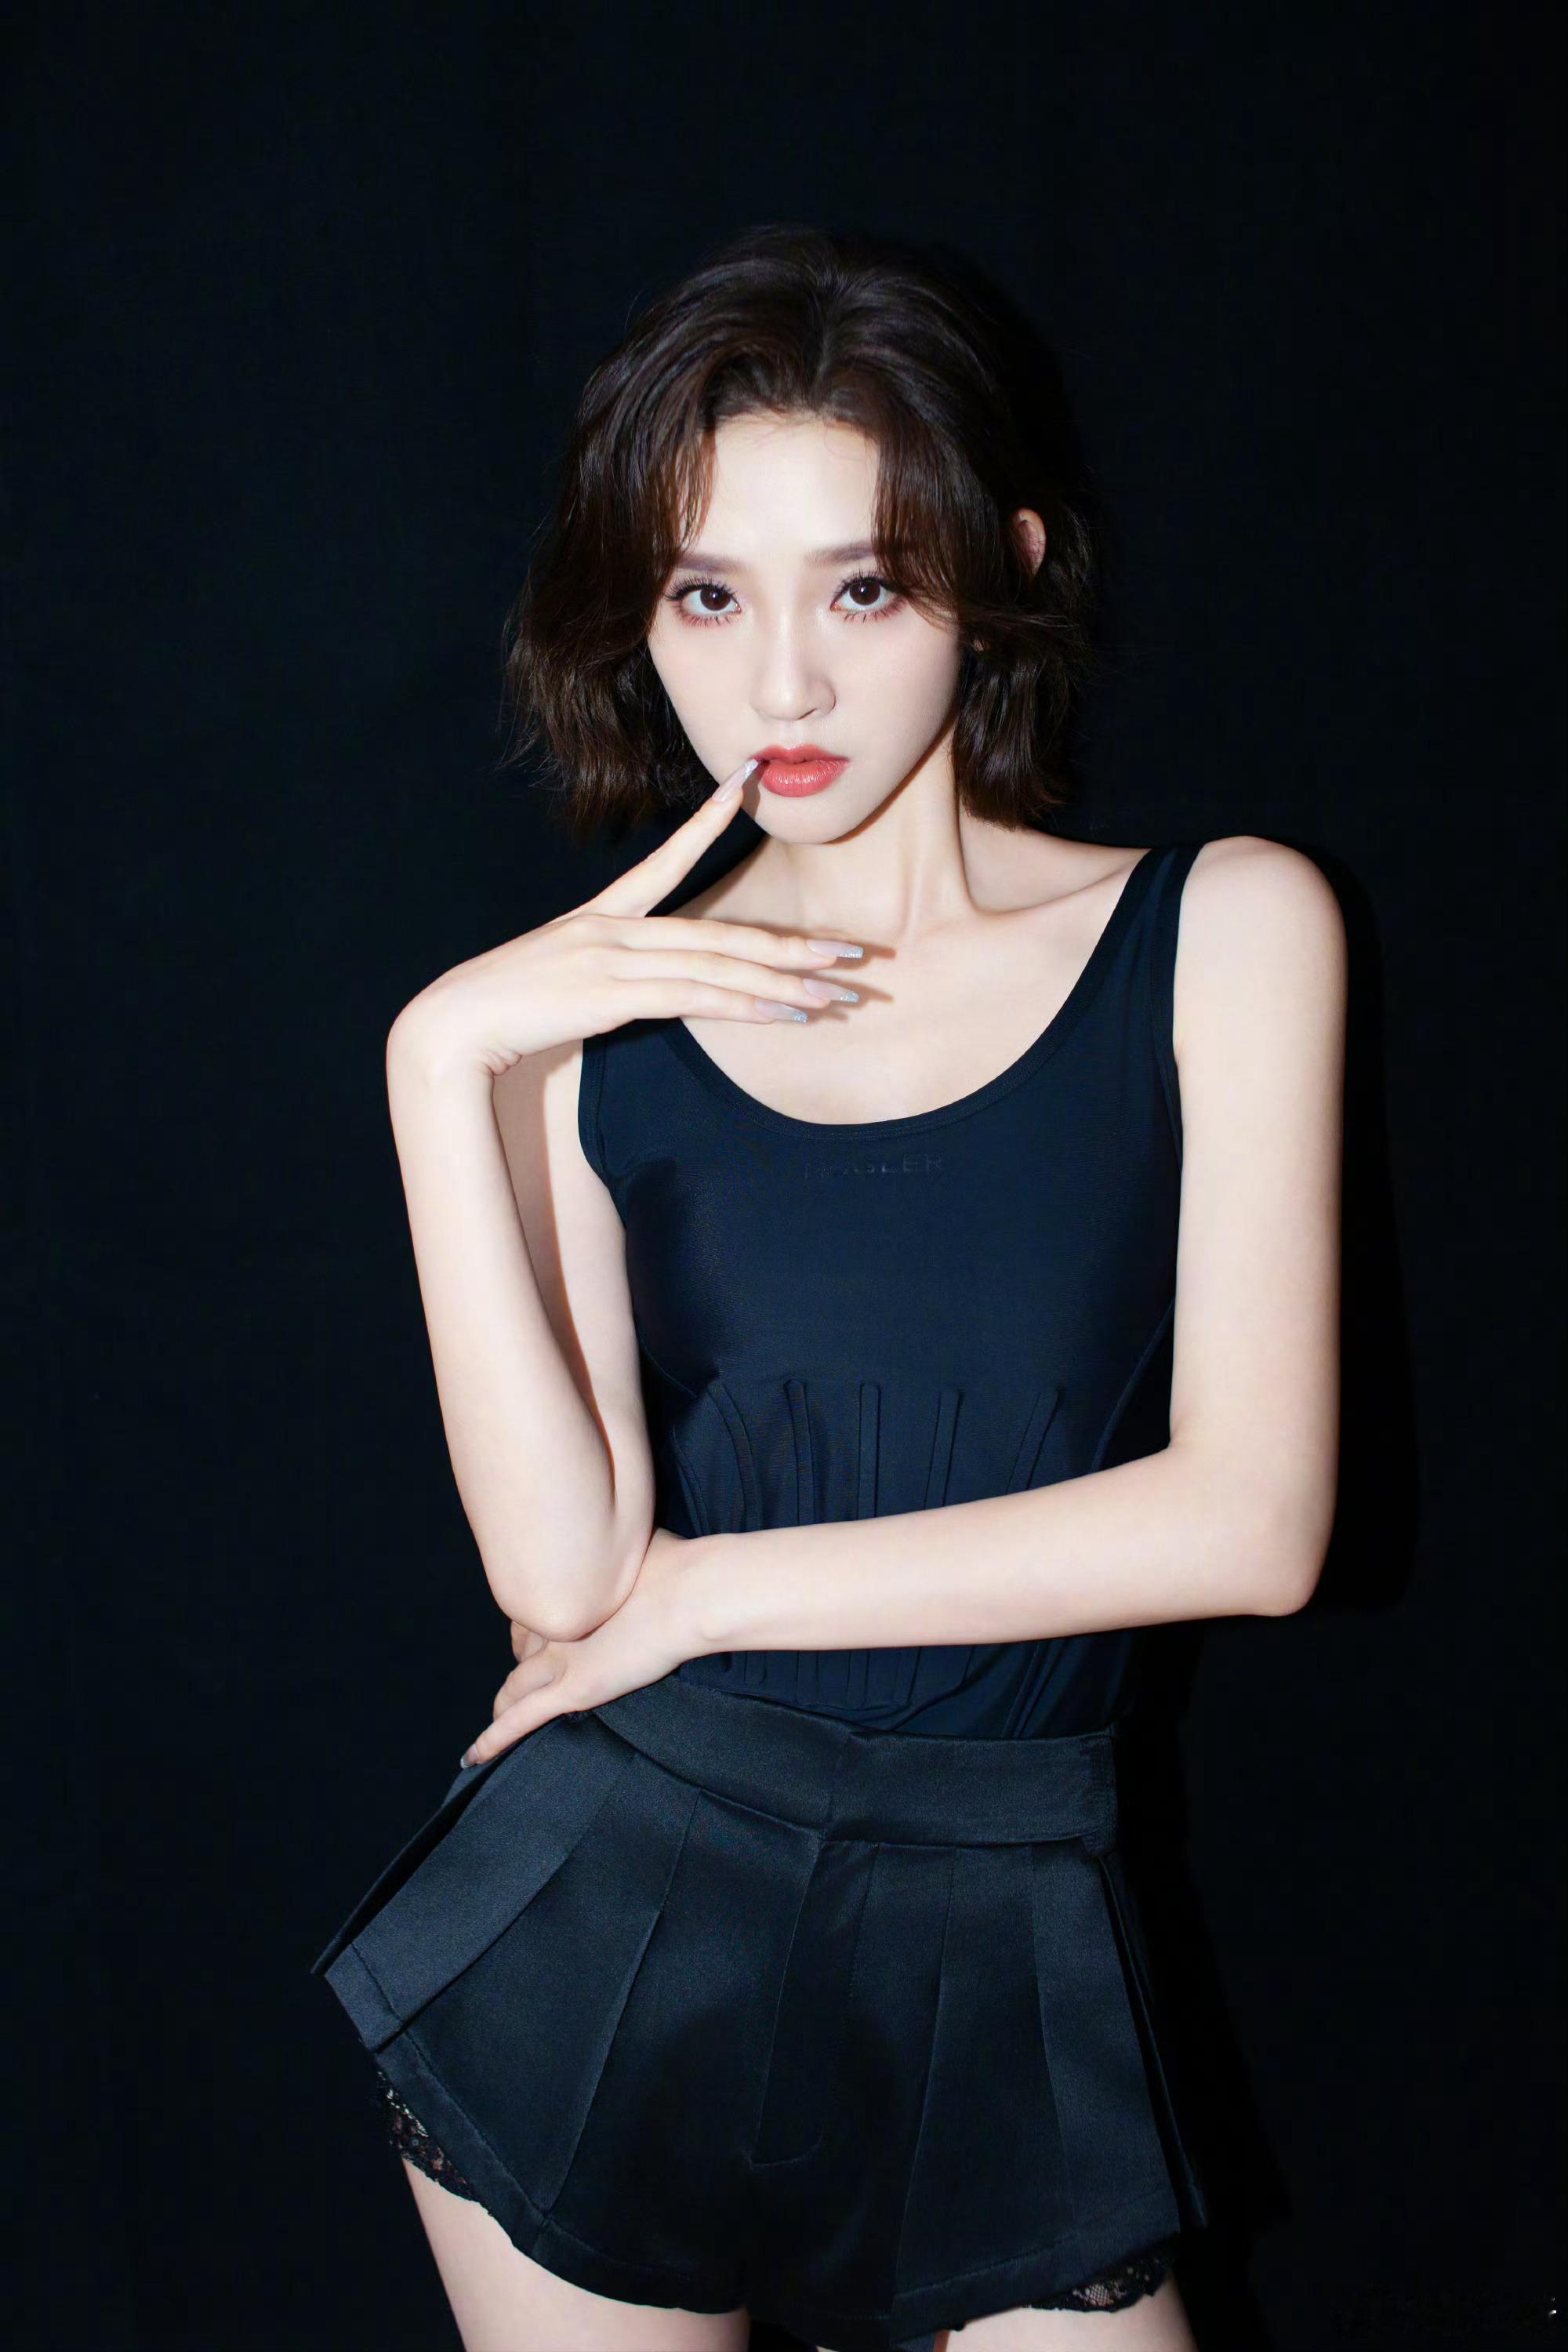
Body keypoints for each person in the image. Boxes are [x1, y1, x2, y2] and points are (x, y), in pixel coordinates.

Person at [310, 223, 1345, 2352]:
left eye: (861, 588)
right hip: (615, 1915)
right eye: (708, 595)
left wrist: (712, 1594)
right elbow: (565, 1578)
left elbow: (1253, 1525)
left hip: (1010, 1913)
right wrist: (435, 1065)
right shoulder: (584, 1027)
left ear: (1003, 568)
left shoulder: (1225, 932)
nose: (779, 685)